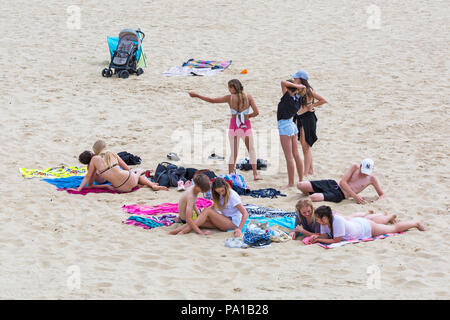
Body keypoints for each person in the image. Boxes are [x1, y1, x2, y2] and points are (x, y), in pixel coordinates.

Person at [188, 79, 262, 180]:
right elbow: (256, 112)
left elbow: (212, 100)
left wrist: (197, 95)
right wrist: (248, 116)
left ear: (232, 88)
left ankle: (231, 175)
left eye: (229, 87)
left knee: (233, 153)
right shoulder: (248, 97)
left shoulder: (229, 98)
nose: (228, 90)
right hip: (245, 126)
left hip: (234, 126)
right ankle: (255, 175)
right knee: (251, 150)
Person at [307, 205, 425, 245]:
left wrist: (319, 241)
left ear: (324, 217)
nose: (317, 221)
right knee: (381, 225)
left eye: (318, 219)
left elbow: (335, 240)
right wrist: (317, 237)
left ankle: (415, 223)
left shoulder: (336, 221)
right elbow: (326, 235)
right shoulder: (324, 221)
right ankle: (389, 216)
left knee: (392, 229)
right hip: (357, 224)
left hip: (365, 228)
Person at [172, 177, 249, 237]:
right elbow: (213, 207)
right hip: (224, 220)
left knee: (207, 212)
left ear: (225, 187)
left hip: (233, 223)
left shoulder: (232, 196)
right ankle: (174, 232)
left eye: (222, 191)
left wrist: (239, 229)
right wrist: (203, 215)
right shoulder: (219, 195)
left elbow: (245, 213)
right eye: (218, 192)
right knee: (198, 222)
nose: (221, 194)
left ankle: (183, 232)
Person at [297, 158, 385, 204]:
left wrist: (377, 201)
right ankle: (310, 192)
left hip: (340, 195)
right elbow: (343, 182)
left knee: (313, 198)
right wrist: (355, 196)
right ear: (361, 165)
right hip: (333, 184)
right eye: (363, 170)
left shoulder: (372, 179)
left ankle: (313, 194)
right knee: (300, 185)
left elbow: (382, 194)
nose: (365, 174)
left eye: (367, 172)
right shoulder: (355, 167)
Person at [291, 70, 327, 177]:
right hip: (300, 118)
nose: (294, 79)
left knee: (306, 147)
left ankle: (305, 173)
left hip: (308, 119)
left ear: (300, 79)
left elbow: (323, 100)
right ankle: (310, 170)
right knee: (304, 146)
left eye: (296, 78)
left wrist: (312, 105)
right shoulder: (298, 89)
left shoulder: (308, 90)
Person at [76, 150, 168, 192]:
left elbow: (89, 179)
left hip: (121, 188)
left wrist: (79, 188)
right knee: (135, 172)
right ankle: (150, 183)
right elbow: (127, 168)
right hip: (131, 179)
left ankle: (142, 174)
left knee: (133, 174)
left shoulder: (91, 165)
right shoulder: (111, 154)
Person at [277, 79, 307, 188]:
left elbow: (282, 82)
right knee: (296, 154)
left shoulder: (288, 98)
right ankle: (301, 179)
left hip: (285, 126)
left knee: (289, 157)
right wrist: (298, 87)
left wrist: (296, 86)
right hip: (292, 125)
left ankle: (290, 183)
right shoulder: (297, 99)